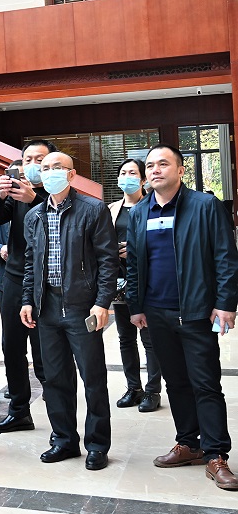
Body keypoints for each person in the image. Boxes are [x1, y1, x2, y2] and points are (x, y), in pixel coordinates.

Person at [126, 144, 238, 490]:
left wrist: (226, 303)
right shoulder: (139, 212)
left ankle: (216, 454)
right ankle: (188, 443)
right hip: (156, 313)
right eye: (150, 165)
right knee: (175, 382)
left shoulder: (205, 206)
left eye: (163, 164)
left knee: (205, 383)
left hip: (195, 312)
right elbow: (134, 264)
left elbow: (226, 257)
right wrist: (135, 306)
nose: (155, 170)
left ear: (180, 170)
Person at [20, 151, 118, 471]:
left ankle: (97, 445)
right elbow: (30, 264)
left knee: (93, 378)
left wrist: (102, 302)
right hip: (46, 308)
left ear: (72, 174)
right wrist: (27, 300)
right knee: (55, 379)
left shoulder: (93, 209)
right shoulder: (34, 216)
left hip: (81, 307)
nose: (49, 172)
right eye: (45, 168)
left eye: (57, 167)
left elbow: (108, 261)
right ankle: (63, 440)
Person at [0, 140, 55, 434]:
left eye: (40, 159)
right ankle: (18, 411)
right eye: (28, 160)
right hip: (14, 278)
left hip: (47, 282)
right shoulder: (17, 192)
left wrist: (34, 199)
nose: (33, 164)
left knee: (46, 350)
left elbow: (54, 227)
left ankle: (59, 416)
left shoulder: (57, 193)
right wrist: (0, 196)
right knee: (12, 347)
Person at [108, 158, 161, 413]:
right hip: (119, 281)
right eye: (123, 172)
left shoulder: (152, 206)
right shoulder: (112, 209)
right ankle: (133, 388)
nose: (126, 177)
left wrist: (135, 250)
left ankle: (153, 390)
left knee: (149, 339)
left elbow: (161, 243)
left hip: (146, 281)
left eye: (132, 172)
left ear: (142, 179)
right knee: (125, 338)